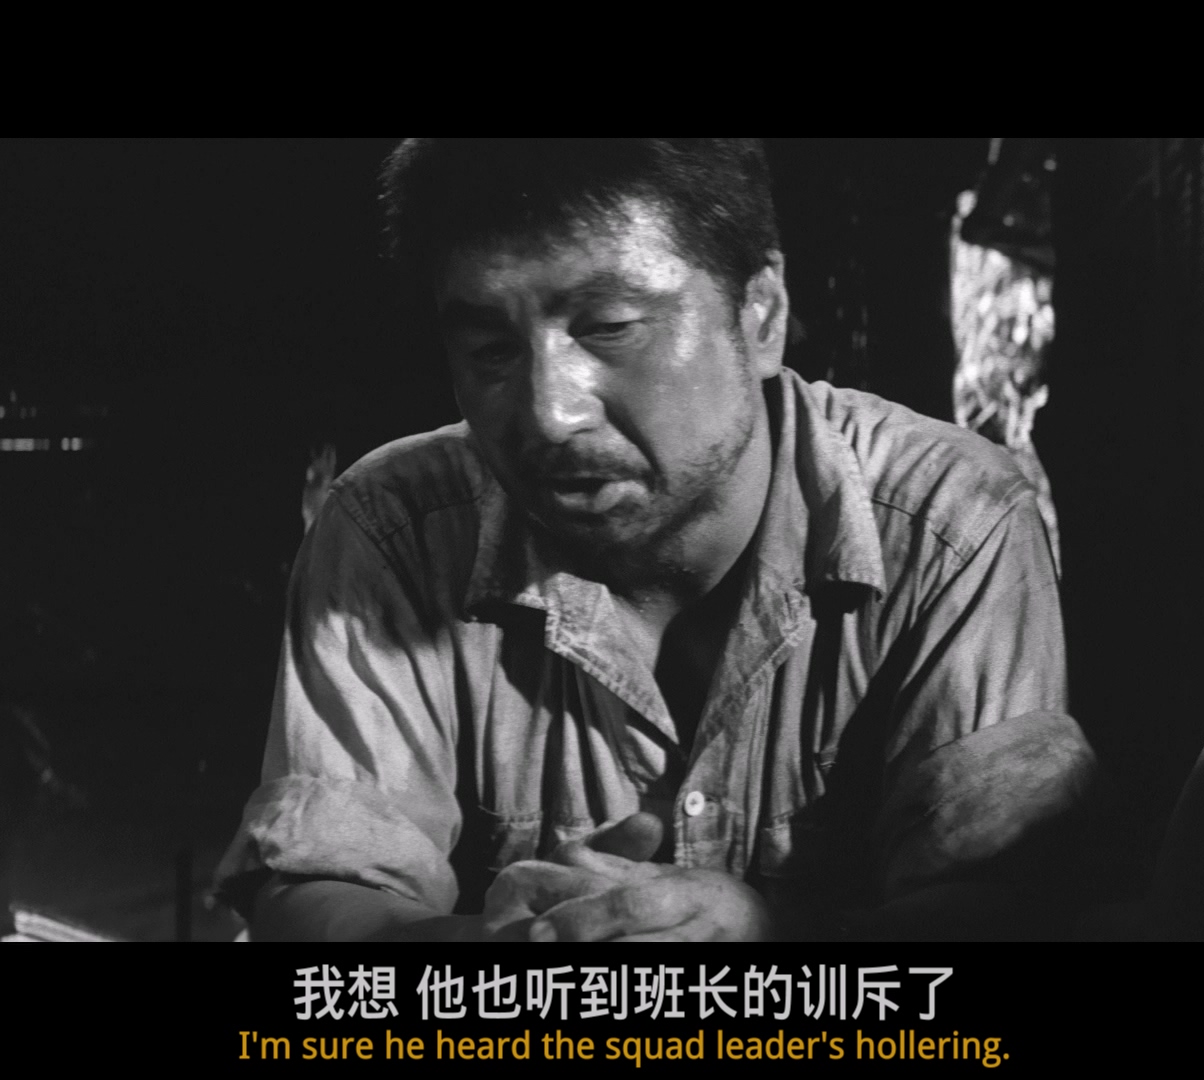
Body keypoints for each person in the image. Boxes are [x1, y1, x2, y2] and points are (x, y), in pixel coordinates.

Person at [216, 139, 1094, 941]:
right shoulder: (393, 531)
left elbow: (1006, 911)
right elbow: (310, 896)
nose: (549, 414)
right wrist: (507, 956)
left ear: (761, 313)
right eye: (490, 349)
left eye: (608, 328)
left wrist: (771, 944)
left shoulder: (949, 525)